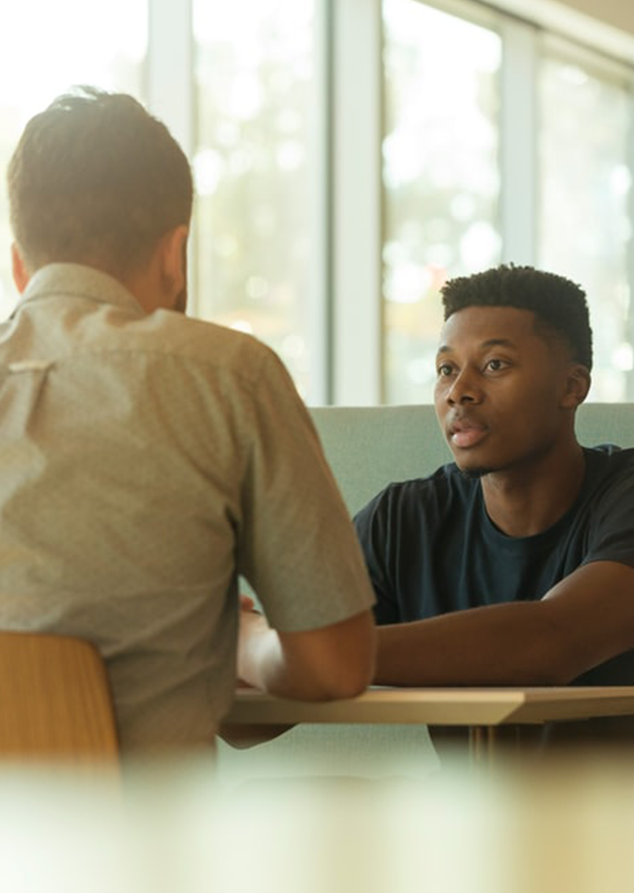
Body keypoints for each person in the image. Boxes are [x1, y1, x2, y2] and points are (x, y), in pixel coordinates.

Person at [0, 86, 376, 752]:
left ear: (18, 264)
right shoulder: (230, 376)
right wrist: (245, 644)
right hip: (141, 848)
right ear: (176, 255)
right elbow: (335, 666)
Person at [354, 264, 634, 741]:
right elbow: (246, 724)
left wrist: (308, 655)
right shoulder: (403, 520)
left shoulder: (623, 495)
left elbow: (550, 643)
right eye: (446, 370)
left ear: (572, 386)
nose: (459, 391)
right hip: (468, 811)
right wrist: (246, 649)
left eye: (494, 365)